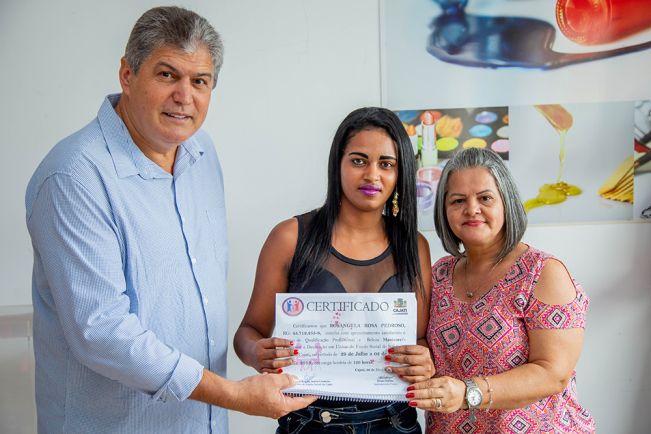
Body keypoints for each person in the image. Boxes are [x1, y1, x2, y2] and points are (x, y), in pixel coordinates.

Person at [25, 6, 314, 434]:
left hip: (202, 423)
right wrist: (234, 395)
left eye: (200, 81)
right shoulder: (74, 177)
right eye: (167, 75)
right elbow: (101, 332)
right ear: (127, 74)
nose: (184, 96)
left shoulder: (201, 153)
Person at [233, 107, 435, 434]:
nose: (372, 175)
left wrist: (423, 359)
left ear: (401, 173)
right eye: (358, 161)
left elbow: (419, 338)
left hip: (394, 423)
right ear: (337, 164)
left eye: (386, 164)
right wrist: (256, 352)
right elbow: (248, 331)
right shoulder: (289, 237)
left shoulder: (414, 245)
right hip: (308, 422)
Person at [406, 148, 595, 433]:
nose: (472, 209)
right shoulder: (439, 274)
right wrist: (420, 361)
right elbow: (424, 345)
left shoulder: (542, 273)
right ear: (444, 211)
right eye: (458, 200)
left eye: (485, 198)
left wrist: (468, 393)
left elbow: (553, 374)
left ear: (506, 202)